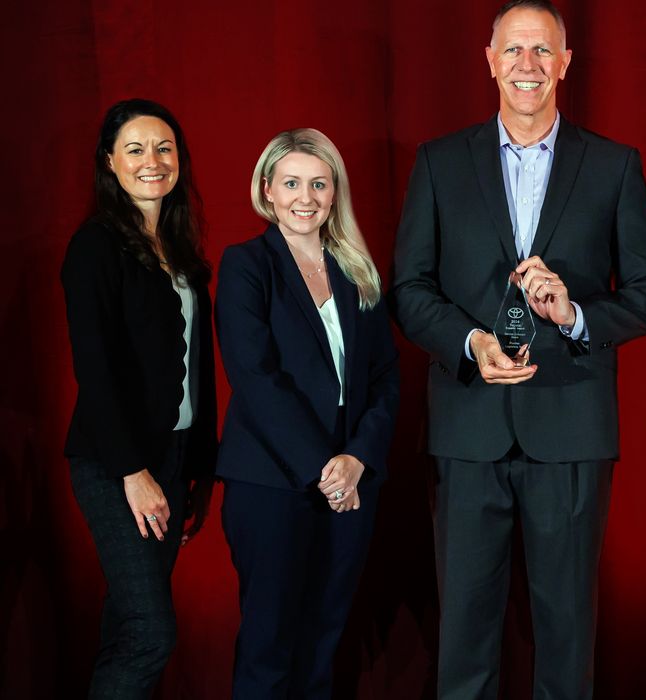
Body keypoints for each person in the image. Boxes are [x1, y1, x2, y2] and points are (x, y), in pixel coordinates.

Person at [390, 1, 646, 695]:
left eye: (542, 51)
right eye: (513, 51)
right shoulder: (439, 162)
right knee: (464, 632)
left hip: (570, 428)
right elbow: (409, 286)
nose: (527, 65)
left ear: (565, 63)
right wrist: (469, 340)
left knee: (567, 630)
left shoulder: (612, 166)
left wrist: (575, 312)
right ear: (489, 61)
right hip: (467, 425)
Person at [215, 128, 400, 698]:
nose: (305, 196)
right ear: (267, 190)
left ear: (334, 193)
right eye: (292, 182)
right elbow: (256, 379)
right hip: (272, 482)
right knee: (270, 647)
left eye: (319, 184)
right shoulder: (247, 265)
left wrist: (357, 461)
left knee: (324, 643)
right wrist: (326, 467)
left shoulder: (357, 271)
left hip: (351, 484)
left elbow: (385, 379)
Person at [61, 98, 217, 698]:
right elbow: (94, 370)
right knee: (152, 632)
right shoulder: (96, 247)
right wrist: (133, 471)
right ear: (109, 162)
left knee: (128, 626)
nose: (153, 161)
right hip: (116, 464)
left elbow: (197, 371)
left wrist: (197, 472)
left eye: (164, 148)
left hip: (173, 462)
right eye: (135, 148)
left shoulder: (180, 253)